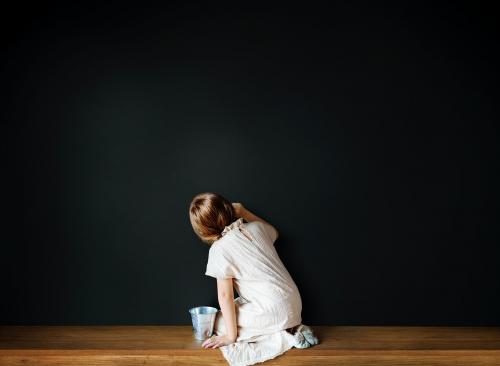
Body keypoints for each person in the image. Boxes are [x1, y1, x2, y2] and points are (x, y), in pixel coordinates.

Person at [188, 192, 315, 358]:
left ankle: (284, 336)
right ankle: (291, 327)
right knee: (236, 308)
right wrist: (244, 212)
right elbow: (274, 232)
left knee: (219, 321)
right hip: (295, 304)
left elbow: (225, 295)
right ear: (229, 209)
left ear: (203, 231)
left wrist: (230, 337)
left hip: (273, 310)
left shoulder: (219, 250)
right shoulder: (256, 227)